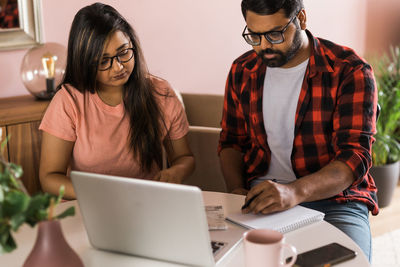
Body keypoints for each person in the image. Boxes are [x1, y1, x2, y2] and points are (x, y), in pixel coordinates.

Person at [218, 0, 378, 261]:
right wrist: (236, 191)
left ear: (301, 19)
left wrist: (293, 192)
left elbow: (354, 158)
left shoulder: (349, 70)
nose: (264, 46)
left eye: (274, 34)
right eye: (254, 36)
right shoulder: (242, 70)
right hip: (261, 197)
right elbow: (231, 142)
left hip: (336, 202)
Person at [39, 3, 195, 200]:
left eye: (123, 52)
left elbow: (184, 158)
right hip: (88, 206)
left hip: (145, 204)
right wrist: (101, 195)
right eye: (104, 61)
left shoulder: (160, 93)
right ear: (85, 62)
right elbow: (49, 177)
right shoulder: (68, 101)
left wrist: (175, 173)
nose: (119, 67)